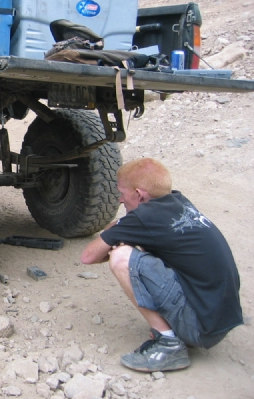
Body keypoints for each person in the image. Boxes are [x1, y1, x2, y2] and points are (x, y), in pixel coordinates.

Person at [81, 158, 242, 372]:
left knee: (121, 257)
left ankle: (169, 343)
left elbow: (89, 256)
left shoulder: (144, 218)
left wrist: (118, 230)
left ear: (139, 194)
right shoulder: (178, 202)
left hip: (200, 328)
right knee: (144, 252)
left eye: (122, 192)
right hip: (217, 320)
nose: (120, 200)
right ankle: (178, 329)